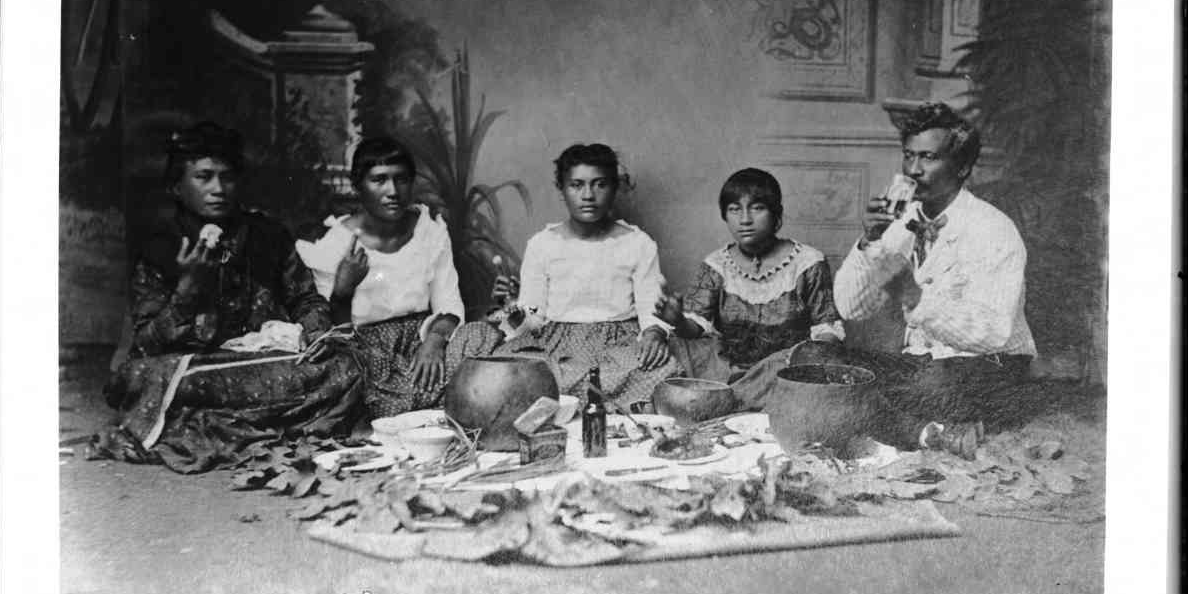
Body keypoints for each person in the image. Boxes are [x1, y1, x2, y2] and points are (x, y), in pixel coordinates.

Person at [94, 121, 365, 472]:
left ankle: (218, 423)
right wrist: (187, 289)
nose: (218, 188)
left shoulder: (268, 235)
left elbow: (305, 299)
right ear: (177, 186)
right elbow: (147, 345)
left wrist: (315, 333)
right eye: (203, 177)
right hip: (193, 369)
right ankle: (266, 421)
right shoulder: (160, 246)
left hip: (261, 363)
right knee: (148, 377)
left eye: (227, 177)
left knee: (346, 366)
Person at [830, 101, 1037, 455]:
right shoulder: (902, 219)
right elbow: (852, 309)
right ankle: (930, 433)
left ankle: (881, 417)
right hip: (921, 367)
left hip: (992, 368)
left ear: (962, 167)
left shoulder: (993, 229)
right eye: (908, 156)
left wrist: (914, 298)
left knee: (916, 385)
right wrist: (868, 242)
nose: (913, 170)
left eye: (928, 157)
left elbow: (994, 332)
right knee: (819, 361)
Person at [295, 137, 499, 418]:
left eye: (401, 179)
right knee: (348, 371)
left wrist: (434, 342)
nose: (393, 191)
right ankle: (443, 397)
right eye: (379, 180)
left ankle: (418, 399)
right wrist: (344, 290)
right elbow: (334, 335)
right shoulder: (334, 243)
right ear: (358, 187)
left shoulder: (429, 230)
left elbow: (449, 304)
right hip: (369, 351)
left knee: (481, 335)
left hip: (423, 342)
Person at [491, 143, 680, 407]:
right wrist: (512, 307)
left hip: (617, 346)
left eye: (600, 184)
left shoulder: (638, 244)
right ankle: (578, 398)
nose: (588, 195)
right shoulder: (542, 244)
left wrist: (653, 335)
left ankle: (568, 400)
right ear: (562, 190)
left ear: (614, 188)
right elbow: (532, 318)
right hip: (555, 344)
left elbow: (651, 309)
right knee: (513, 369)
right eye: (576, 185)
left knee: (664, 369)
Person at [654, 167, 845, 406]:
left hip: (785, 373)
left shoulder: (808, 263)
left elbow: (826, 329)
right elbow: (696, 330)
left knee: (822, 357)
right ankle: (736, 396)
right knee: (675, 346)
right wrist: (678, 320)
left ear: (776, 213)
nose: (745, 220)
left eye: (757, 208)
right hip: (726, 370)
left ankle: (734, 400)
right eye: (734, 209)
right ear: (725, 214)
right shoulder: (716, 264)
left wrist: (807, 362)